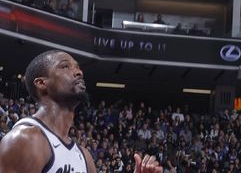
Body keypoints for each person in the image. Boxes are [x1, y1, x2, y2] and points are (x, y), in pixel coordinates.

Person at [0, 50, 162, 173]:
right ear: (42, 83)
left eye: (77, 67)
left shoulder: (84, 156)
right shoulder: (25, 140)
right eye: (65, 66)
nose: (79, 72)